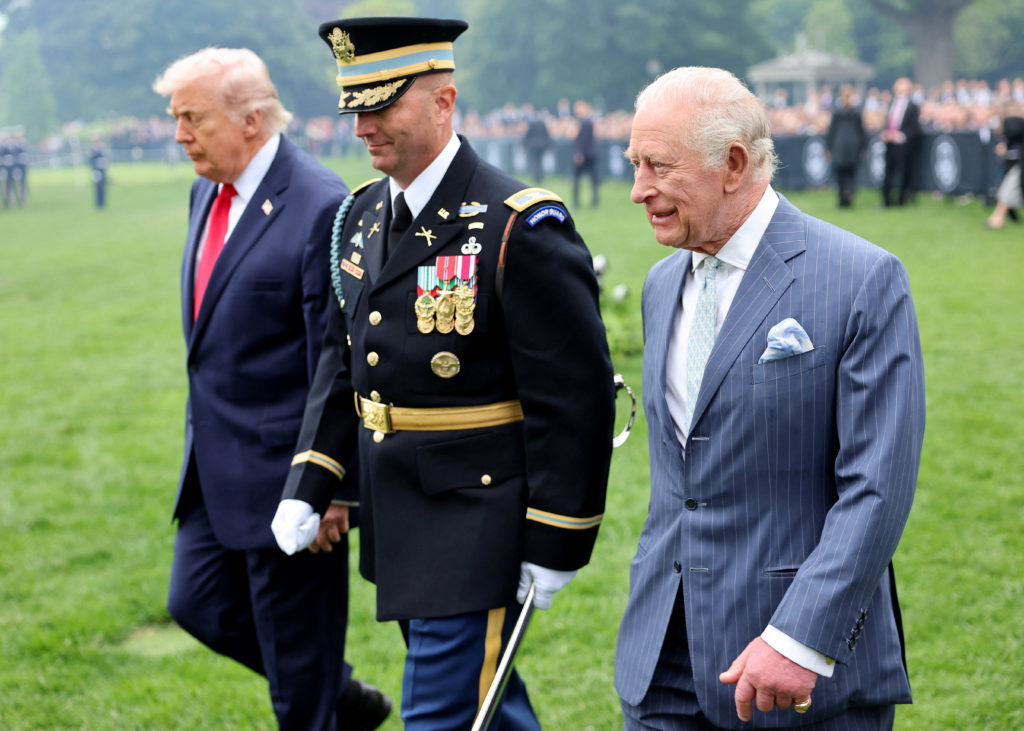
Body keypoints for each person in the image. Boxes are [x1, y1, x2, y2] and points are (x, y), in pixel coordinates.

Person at [271, 17, 615, 730]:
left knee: (440, 715)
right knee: (492, 708)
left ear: (443, 100)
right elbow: (346, 361)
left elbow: (573, 399)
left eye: (383, 105)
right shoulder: (364, 214)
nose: (363, 127)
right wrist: (312, 480)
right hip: (399, 514)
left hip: (477, 524)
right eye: (354, 108)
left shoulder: (517, 223)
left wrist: (558, 535)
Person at [615, 66, 925, 729]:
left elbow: (877, 486)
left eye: (658, 167)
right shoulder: (660, 283)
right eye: (634, 164)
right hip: (661, 664)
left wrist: (799, 637)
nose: (639, 190)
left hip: (796, 675)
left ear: (732, 163)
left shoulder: (861, 279)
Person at [152, 47, 390, 730]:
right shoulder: (208, 188)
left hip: (293, 475)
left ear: (251, 119)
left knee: (297, 694)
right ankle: (340, 692)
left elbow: (341, 356)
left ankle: (322, 693)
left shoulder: (320, 206)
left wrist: (334, 488)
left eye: (192, 118)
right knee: (196, 603)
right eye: (176, 119)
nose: (179, 135)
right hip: (212, 467)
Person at [880, 77, 922, 207]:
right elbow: (887, 122)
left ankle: (901, 200)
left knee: (903, 172)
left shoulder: (912, 106)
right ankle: (886, 200)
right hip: (889, 143)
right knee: (887, 172)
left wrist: (901, 135)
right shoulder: (890, 103)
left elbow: (915, 128)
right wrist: (885, 133)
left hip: (903, 145)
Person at [825, 85, 866, 208]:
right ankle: (849, 192)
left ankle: (842, 196)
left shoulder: (837, 112)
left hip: (839, 145)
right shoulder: (857, 112)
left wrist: (828, 147)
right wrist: (863, 146)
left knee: (840, 173)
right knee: (851, 173)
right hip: (854, 145)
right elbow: (862, 131)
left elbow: (831, 131)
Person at [986, 114, 1024, 229]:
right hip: (1019, 165)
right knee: (1007, 190)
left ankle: (997, 219)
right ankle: (997, 218)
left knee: (1008, 190)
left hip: (1020, 166)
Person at [572, 99, 600, 208]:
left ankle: (577, 202)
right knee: (593, 179)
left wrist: (579, 153)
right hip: (590, 154)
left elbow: (582, 140)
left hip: (585, 155)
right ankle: (594, 202)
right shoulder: (588, 121)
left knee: (577, 179)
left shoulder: (584, 122)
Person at [521, 103, 552, 184]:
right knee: (540, 162)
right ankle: (540, 178)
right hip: (541, 146)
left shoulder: (532, 124)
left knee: (535, 163)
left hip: (533, 146)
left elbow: (528, 135)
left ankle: (535, 178)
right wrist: (548, 145)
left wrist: (524, 144)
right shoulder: (542, 123)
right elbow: (546, 135)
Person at [88, 135, 108, 209]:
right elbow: (91, 161)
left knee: (103, 188)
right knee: (97, 188)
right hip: (96, 171)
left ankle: (102, 204)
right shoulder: (93, 150)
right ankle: (98, 204)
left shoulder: (102, 149)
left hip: (102, 170)